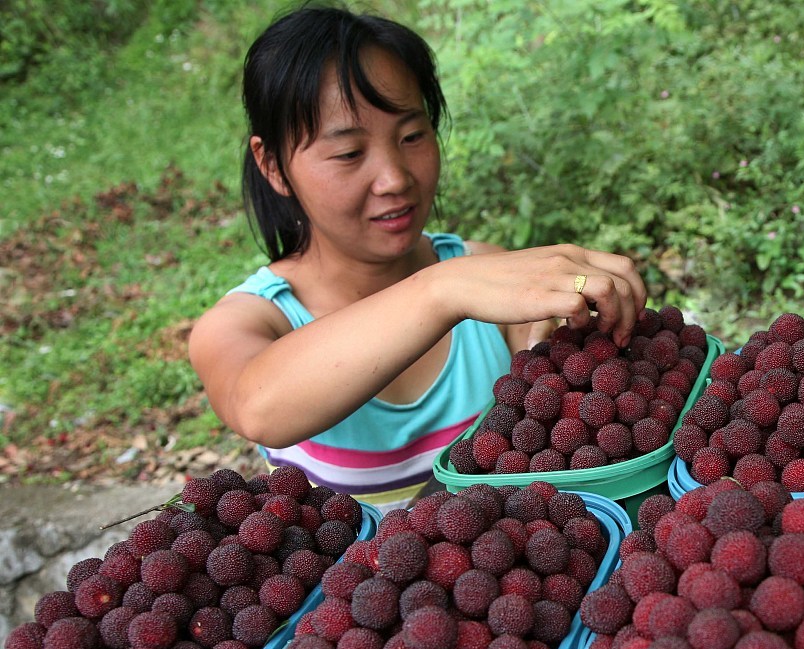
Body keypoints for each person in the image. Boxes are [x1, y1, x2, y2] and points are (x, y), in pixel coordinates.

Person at [189, 4, 646, 511]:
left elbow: (562, 431)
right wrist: (440, 289)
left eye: (412, 137)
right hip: (342, 591)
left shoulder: (487, 286)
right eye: (348, 153)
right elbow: (259, 406)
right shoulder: (249, 321)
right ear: (272, 165)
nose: (395, 178)